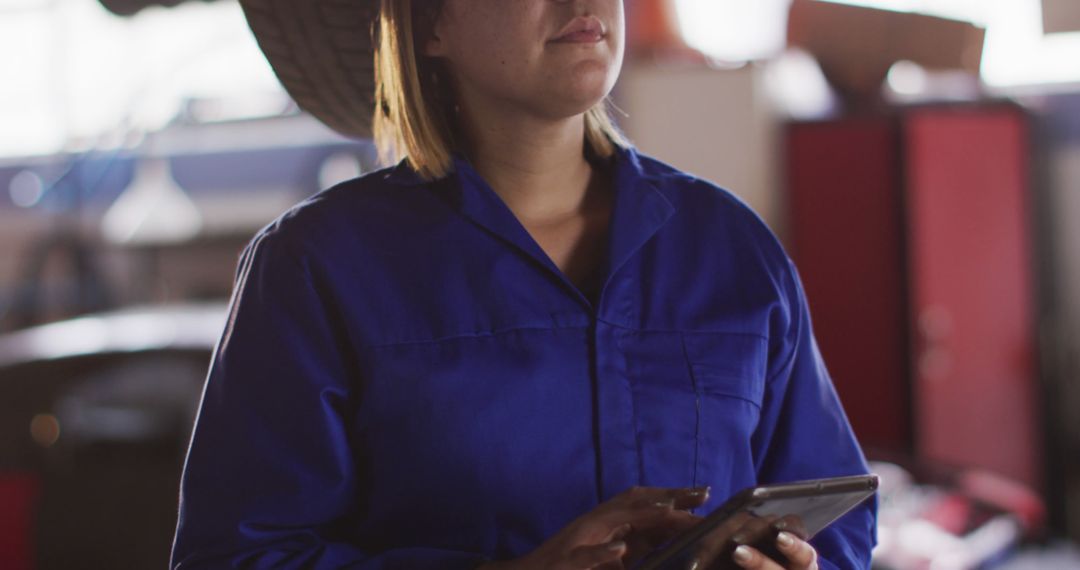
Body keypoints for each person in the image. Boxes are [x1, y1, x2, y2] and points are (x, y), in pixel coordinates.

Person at [170, 0, 877, 568]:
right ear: (431, 23)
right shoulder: (314, 269)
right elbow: (237, 555)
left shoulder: (729, 249)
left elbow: (839, 520)